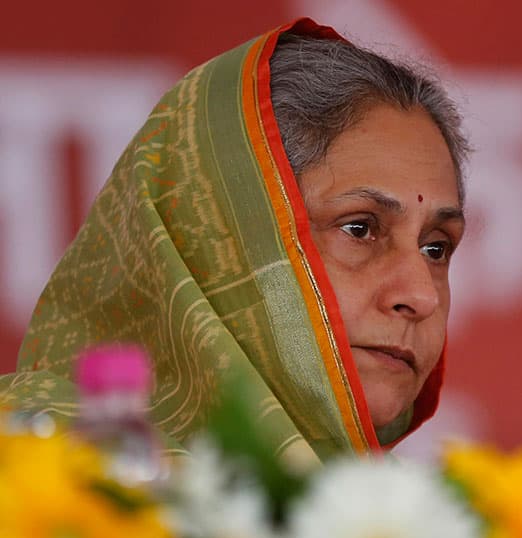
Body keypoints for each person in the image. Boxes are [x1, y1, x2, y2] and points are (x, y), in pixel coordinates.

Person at [0, 18, 469, 465]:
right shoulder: (37, 474)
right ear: (219, 240)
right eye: (359, 229)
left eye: (436, 248)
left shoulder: (411, 533)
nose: (421, 295)